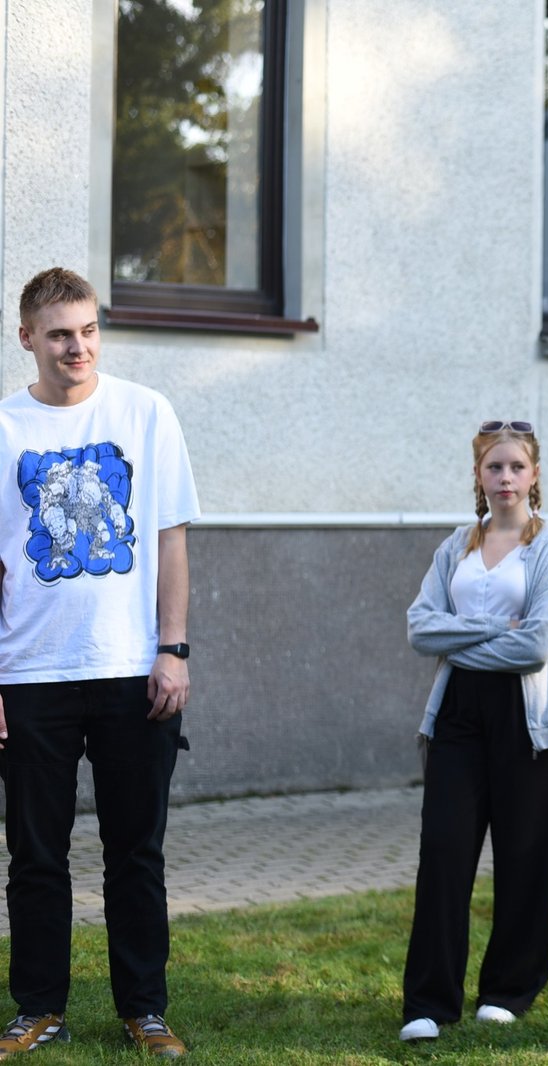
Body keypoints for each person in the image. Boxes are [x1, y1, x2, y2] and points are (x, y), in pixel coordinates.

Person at [0, 268, 199, 1059]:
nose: (76, 347)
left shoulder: (146, 413)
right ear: (27, 338)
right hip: (29, 674)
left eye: (87, 331)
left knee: (136, 853)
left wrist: (172, 649)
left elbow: (170, 538)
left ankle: (144, 1010)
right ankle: (38, 1009)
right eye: (58, 334)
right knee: (34, 857)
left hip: (130, 671)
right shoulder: (4, 426)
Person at [398, 420, 548, 1043]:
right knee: (444, 851)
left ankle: (509, 989)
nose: (505, 478)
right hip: (457, 713)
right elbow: (421, 628)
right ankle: (429, 1002)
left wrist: (464, 640)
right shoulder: (457, 544)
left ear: (534, 475)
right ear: (478, 475)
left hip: (530, 719)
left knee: (526, 854)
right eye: (494, 467)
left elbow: (536, 646)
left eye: (516, 467)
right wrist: (496, 630)